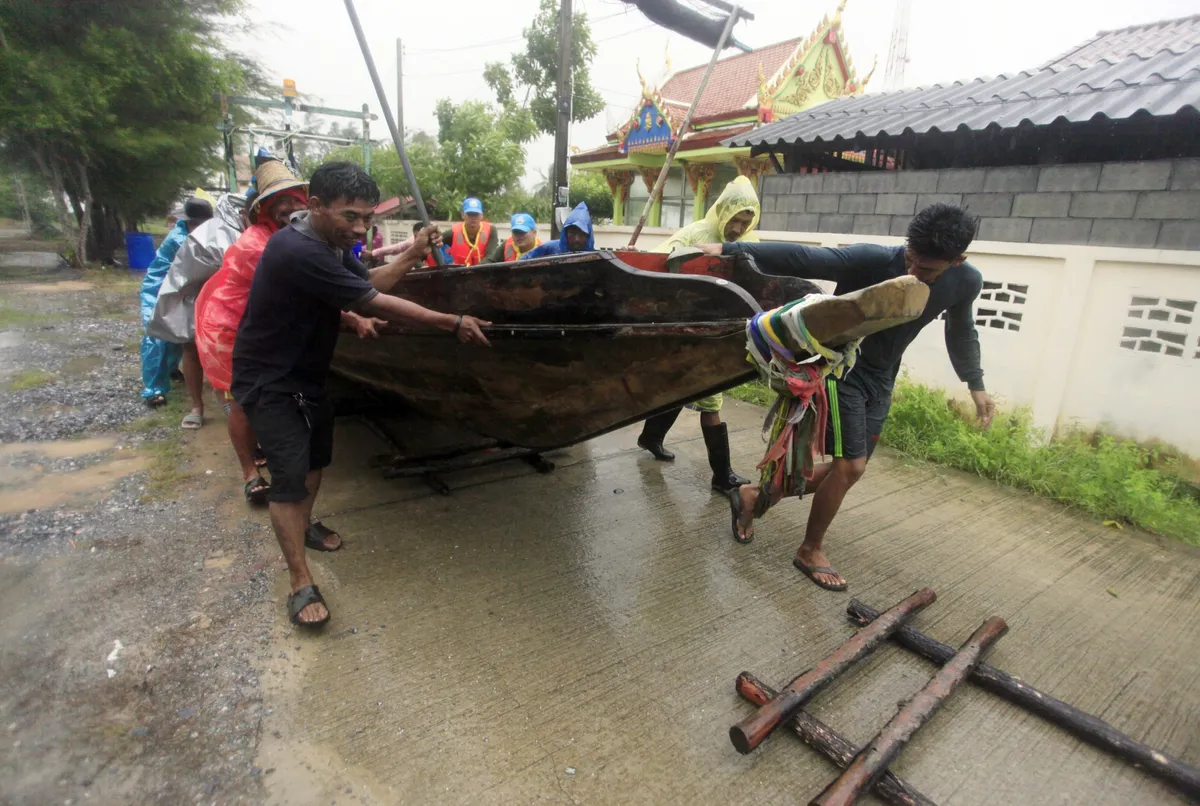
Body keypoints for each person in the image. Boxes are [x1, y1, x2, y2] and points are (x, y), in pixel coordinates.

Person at [232, 161, 489, 628]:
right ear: (315, 207)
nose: (360, 227)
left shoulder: (334, 244)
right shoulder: (296, 249)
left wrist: (411, 254)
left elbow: (367, 284)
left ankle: (306, 525)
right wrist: (451, 322)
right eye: (350, 216)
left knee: (315, 460)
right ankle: (299, 581)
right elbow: (372, 301)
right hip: (270, 378)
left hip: (309, 371)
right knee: (288, 478)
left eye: (367, 218)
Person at [702, 203, 995, 591]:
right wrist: (731, 250)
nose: (913, 273)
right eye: (911, 260)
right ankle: (810, 550)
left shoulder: (965, 282)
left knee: (846, 472)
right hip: (842, 369)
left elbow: (961, 331)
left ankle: (754, 495)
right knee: (850, 468)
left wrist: (976, 384)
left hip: (883, 379)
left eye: (927, 271)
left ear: (957, 261)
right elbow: (807, 257)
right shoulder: (873, 260)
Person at [636, 176, 762, 493]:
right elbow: (656, 264)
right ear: (723, 212)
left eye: (746, 222)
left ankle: (651, 437)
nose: (738, 228)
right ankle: (722, 475)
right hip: (688, 328)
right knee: (710, 399)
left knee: (686, 387)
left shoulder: (750, 245)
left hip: (721, 331)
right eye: (735, 220)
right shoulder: (694, 235)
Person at [147, 192, 248, 429]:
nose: (196, 226)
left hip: (226, 301)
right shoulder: (185, 238)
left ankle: (232, 404)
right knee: (190, 347)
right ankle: (197, 406)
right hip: (194, 296)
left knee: (229, 354)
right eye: (193, 222)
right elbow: (178, 276)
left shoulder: (235, 231)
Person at [139, 197, 213, 407]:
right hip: (159, 290)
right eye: (197, 223)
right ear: (189, 221)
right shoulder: (180, 239)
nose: (201, 227)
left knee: (179, 336)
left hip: (181, 289)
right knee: (158, 337)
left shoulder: (201, 234)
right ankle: (153, 390)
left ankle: (171, 369)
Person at [520, 202, 593, 259]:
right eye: (572, 234)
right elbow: (520, 264)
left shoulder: (597, 258)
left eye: (581, 234)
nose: (576, 239)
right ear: (566, 233)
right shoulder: (549, 248)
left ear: (588, 235)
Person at [442, 197, 500, 265]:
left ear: (481, 216)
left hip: (482, 272)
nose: (473, 218)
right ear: (463, 215)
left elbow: (491, 256)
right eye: (470, 214)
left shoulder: (491, 231)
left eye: (476, 214)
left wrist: (475, 270)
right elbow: (436, 241)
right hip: (459, 273)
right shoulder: (453, 232)